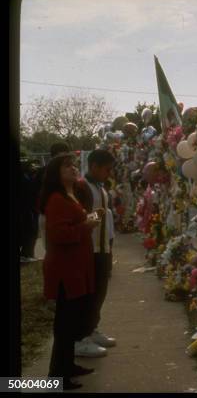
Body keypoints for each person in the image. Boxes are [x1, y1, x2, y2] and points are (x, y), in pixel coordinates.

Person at [40, 153, 100, 390]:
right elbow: (58, 234)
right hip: (66, 269)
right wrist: (86, 226)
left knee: (73, 320)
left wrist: (88, 220)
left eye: (74, 165)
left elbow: (75, 223)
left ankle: (68, 366)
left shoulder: (71, 194)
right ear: (56, 172)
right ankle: (57, 375)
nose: (73, 169)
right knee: (65, 324)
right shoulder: (56, 199)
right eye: (67, 166)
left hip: (78, 265)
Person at [73, 149, 117, 358]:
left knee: (100, 292)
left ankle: (91, 329)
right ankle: (80, 338)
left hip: (103, 248)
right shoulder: (82, 187)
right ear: (94, 166)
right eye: (106, 169)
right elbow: (79, 220)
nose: (109, 174)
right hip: (89, 249)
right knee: (89, 294)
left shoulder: (100, 186)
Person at [35, 142, 72, 251]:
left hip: (60, 213)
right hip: (48, 214)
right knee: (51, 248)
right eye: (64, 154)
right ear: (56, 155)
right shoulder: (44, 172)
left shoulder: (66, 171)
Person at [20, 159, 40, 263]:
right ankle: (26, 254)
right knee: (31, 231)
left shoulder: (27, 178)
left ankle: (27, 253)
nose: (32, 167)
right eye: (30, 166)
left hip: (28, 209)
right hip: (27, 209)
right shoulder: (25, 179)